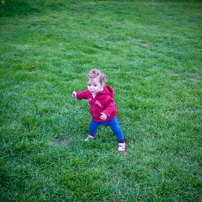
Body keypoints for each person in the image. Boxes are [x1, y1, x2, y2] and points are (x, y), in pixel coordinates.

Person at [72, 69, 125, 151]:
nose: (91, 88)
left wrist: (106, 113)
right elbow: (83, 94)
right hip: (96, 117)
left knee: (116, 129)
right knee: (91, 127)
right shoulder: (89, 92)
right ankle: (91, 135)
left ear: (102, 85)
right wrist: (76, 94)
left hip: (109, 118)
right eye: (89, 84)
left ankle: (121, 142)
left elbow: (111, 105)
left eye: (95, 85)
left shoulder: (106, 96)